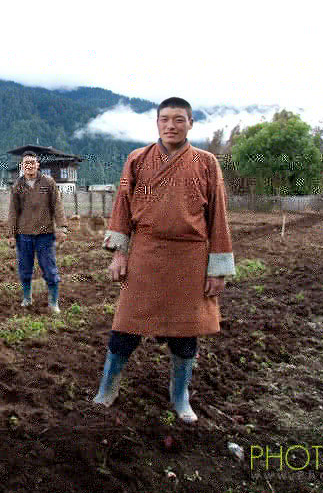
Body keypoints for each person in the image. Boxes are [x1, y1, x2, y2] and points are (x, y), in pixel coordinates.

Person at [93, 97, 234, 423]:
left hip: (190, 260)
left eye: (179, 119)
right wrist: (120, 252)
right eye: (165, 119)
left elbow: (219, 219)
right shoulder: (137, 160)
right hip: (145, 255)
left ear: (190, 123)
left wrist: (218, 269)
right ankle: (107, 388)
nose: (171, 125)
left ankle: (180, 396)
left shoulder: (207, 163)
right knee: (125, 328)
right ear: (157, 122)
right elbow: (122, 206)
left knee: (186, 334)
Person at [7, 152, 68, 313]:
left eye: (32, 162)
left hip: (45, 234)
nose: (29, 166)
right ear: (22, 166)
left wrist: (62, 228)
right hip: (24, 235)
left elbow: (57, 206)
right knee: (25, 269)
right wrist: (11, 234)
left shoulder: (48, 182)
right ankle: (27, 298)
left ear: (37, 165)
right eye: (26, 163)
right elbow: (13, 212)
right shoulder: (17, 186)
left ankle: (53, 302)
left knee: (49, 268)